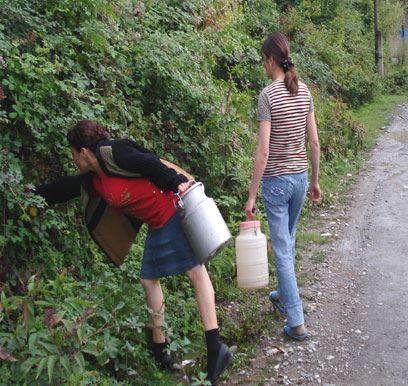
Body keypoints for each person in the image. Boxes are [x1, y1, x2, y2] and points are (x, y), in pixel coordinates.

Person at [35, 120, 232, 384]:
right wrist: (30, 195)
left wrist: (176, 182)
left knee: (196, 271)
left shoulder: (113, 151)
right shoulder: (94, 179)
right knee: (148, 279)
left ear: (83, 151)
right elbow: (64, 188)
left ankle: (215, 348)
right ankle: (159, 349)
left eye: (73, 153)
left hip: (171, 210)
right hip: (156, 223)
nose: (73, 159)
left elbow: (149, 162)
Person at [244, 32, 321, 341]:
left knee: (282, 251)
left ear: (271, 60)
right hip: (300, 179)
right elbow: (314, 142)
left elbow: (263, 151)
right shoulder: (304, 91)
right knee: (287, 242)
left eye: (264, 60)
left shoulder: (268, 95)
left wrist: (251, 195)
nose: (263, 66)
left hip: (276, 183)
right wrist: (315, 181)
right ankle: (281, 295)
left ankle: (297, 321)